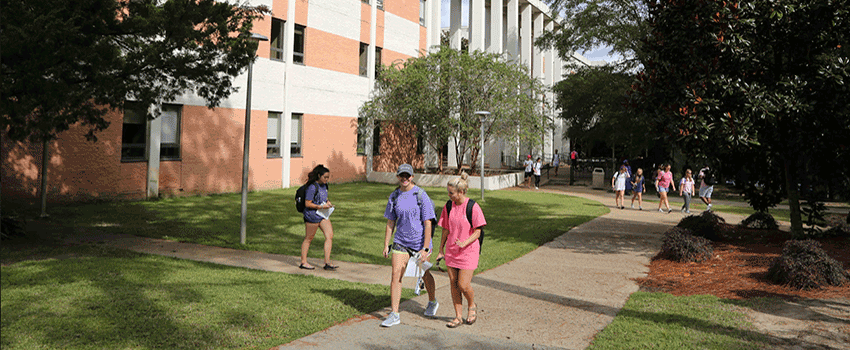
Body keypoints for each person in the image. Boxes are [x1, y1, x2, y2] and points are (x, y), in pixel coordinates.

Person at [380, 164, 439, 327]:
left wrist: (425, 248)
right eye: (401, 176)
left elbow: (428, 223)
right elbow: (390, 222)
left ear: (412, 177)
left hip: (420, 243)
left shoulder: (421, 195)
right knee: (396, 275)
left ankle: (432, 301)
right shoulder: (394, 196)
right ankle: (395, 314)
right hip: (401, 242)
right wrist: (386, 244)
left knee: (425, 275)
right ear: (398, 177)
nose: (404, 179)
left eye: (407, 176)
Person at [437, 172, 486, 328]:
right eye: (448, 192)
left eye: (451, 193)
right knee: (453, 284)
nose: (449, 195)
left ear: (461, 192)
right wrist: (441, 249)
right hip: (452, 250)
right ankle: (458, 317)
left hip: (468, 250)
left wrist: (465, 243)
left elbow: (478, 231)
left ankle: (472, 305)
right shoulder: (449, 206)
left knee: (463, 284)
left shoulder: (473, 207)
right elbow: (445, 229)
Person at [300, 164, 338, 271]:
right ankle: (303, 262)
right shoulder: (312, 187)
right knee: (309, 238)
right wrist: (320, 206)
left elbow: (324, 198)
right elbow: (307, 204)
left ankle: (327, 262)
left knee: (329, 235)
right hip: (312, 215)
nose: (327, 179)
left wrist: (327, 202)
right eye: (325, 177)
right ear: (318, 176)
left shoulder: (324, 185)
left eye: (328, 177)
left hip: (322, 214)